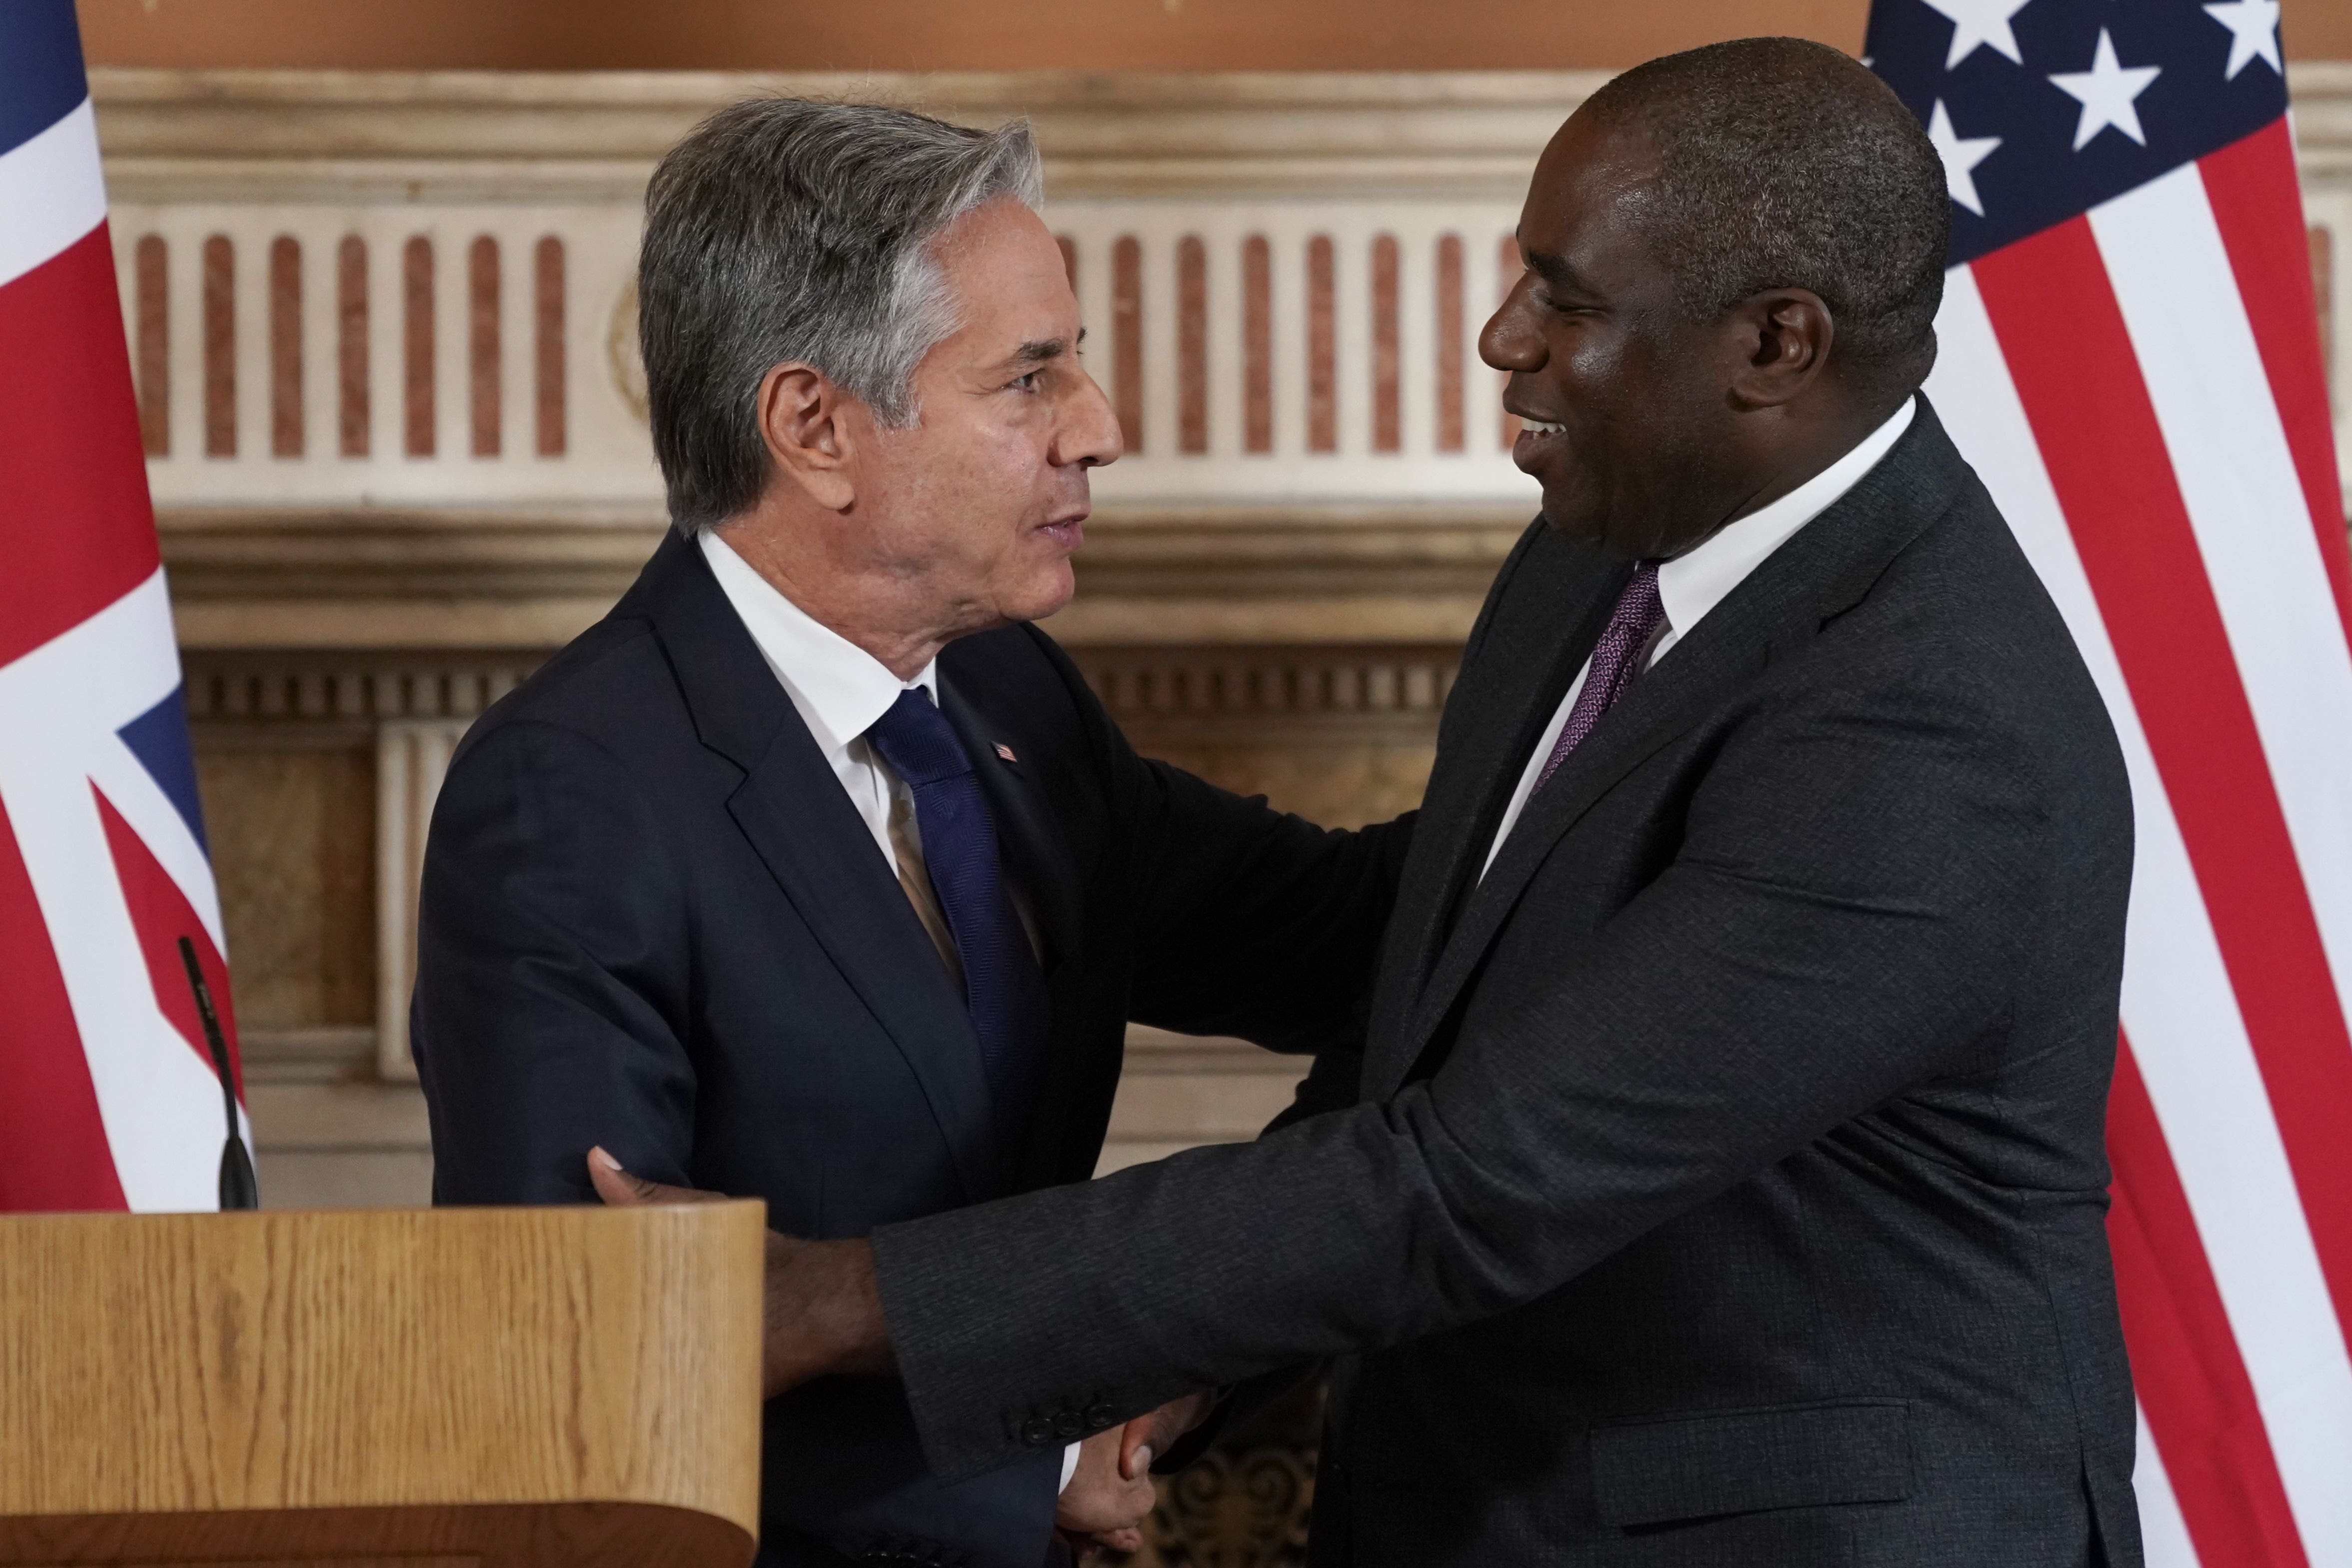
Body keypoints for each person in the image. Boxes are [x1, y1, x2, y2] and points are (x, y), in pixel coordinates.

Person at [597, 39, 2144, 1568]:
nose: (1500, 337)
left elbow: (1473, 1177)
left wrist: (821, 1300)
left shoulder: (1931, 724)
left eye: (1568, 299)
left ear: (1774, 346)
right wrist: (940, 778)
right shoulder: (1607, 544)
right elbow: (1438, 960)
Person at [412, 99, 1410, 1568]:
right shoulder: (568, 796)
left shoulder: (1008, 695)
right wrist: (1034, 1468)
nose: (1101, 427)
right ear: (815, 426)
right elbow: (571, 1350)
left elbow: (1340, 930)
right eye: (1030, 379)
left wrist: (1631, 747)